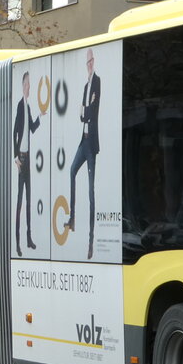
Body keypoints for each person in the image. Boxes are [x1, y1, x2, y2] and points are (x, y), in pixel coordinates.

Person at [65, 49, 100, 259]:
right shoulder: (87, 86)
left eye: (90, 61)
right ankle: (72, 218)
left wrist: (85, 109)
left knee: (91, 191)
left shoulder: (97, 82)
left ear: (93, 62)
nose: (88, 64)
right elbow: (81, 115)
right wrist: (85, 108)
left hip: (91, 144)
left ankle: (90, 240)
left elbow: (91, 111)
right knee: (71, 171)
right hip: (82, 140)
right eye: (86, 62)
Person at [13, 71, 40, 256]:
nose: (29, 87)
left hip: (28, 158)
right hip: (21, 159)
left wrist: (40, 116)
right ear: (23, 86)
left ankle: (29, 238)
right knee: (20, 202)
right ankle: (17, 242)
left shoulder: (29, 106)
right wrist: (15, 156)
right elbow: (15, 131)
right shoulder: (20, 106)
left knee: (29, 200)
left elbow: (31, 128)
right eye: (28, 84)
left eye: (30, 84)